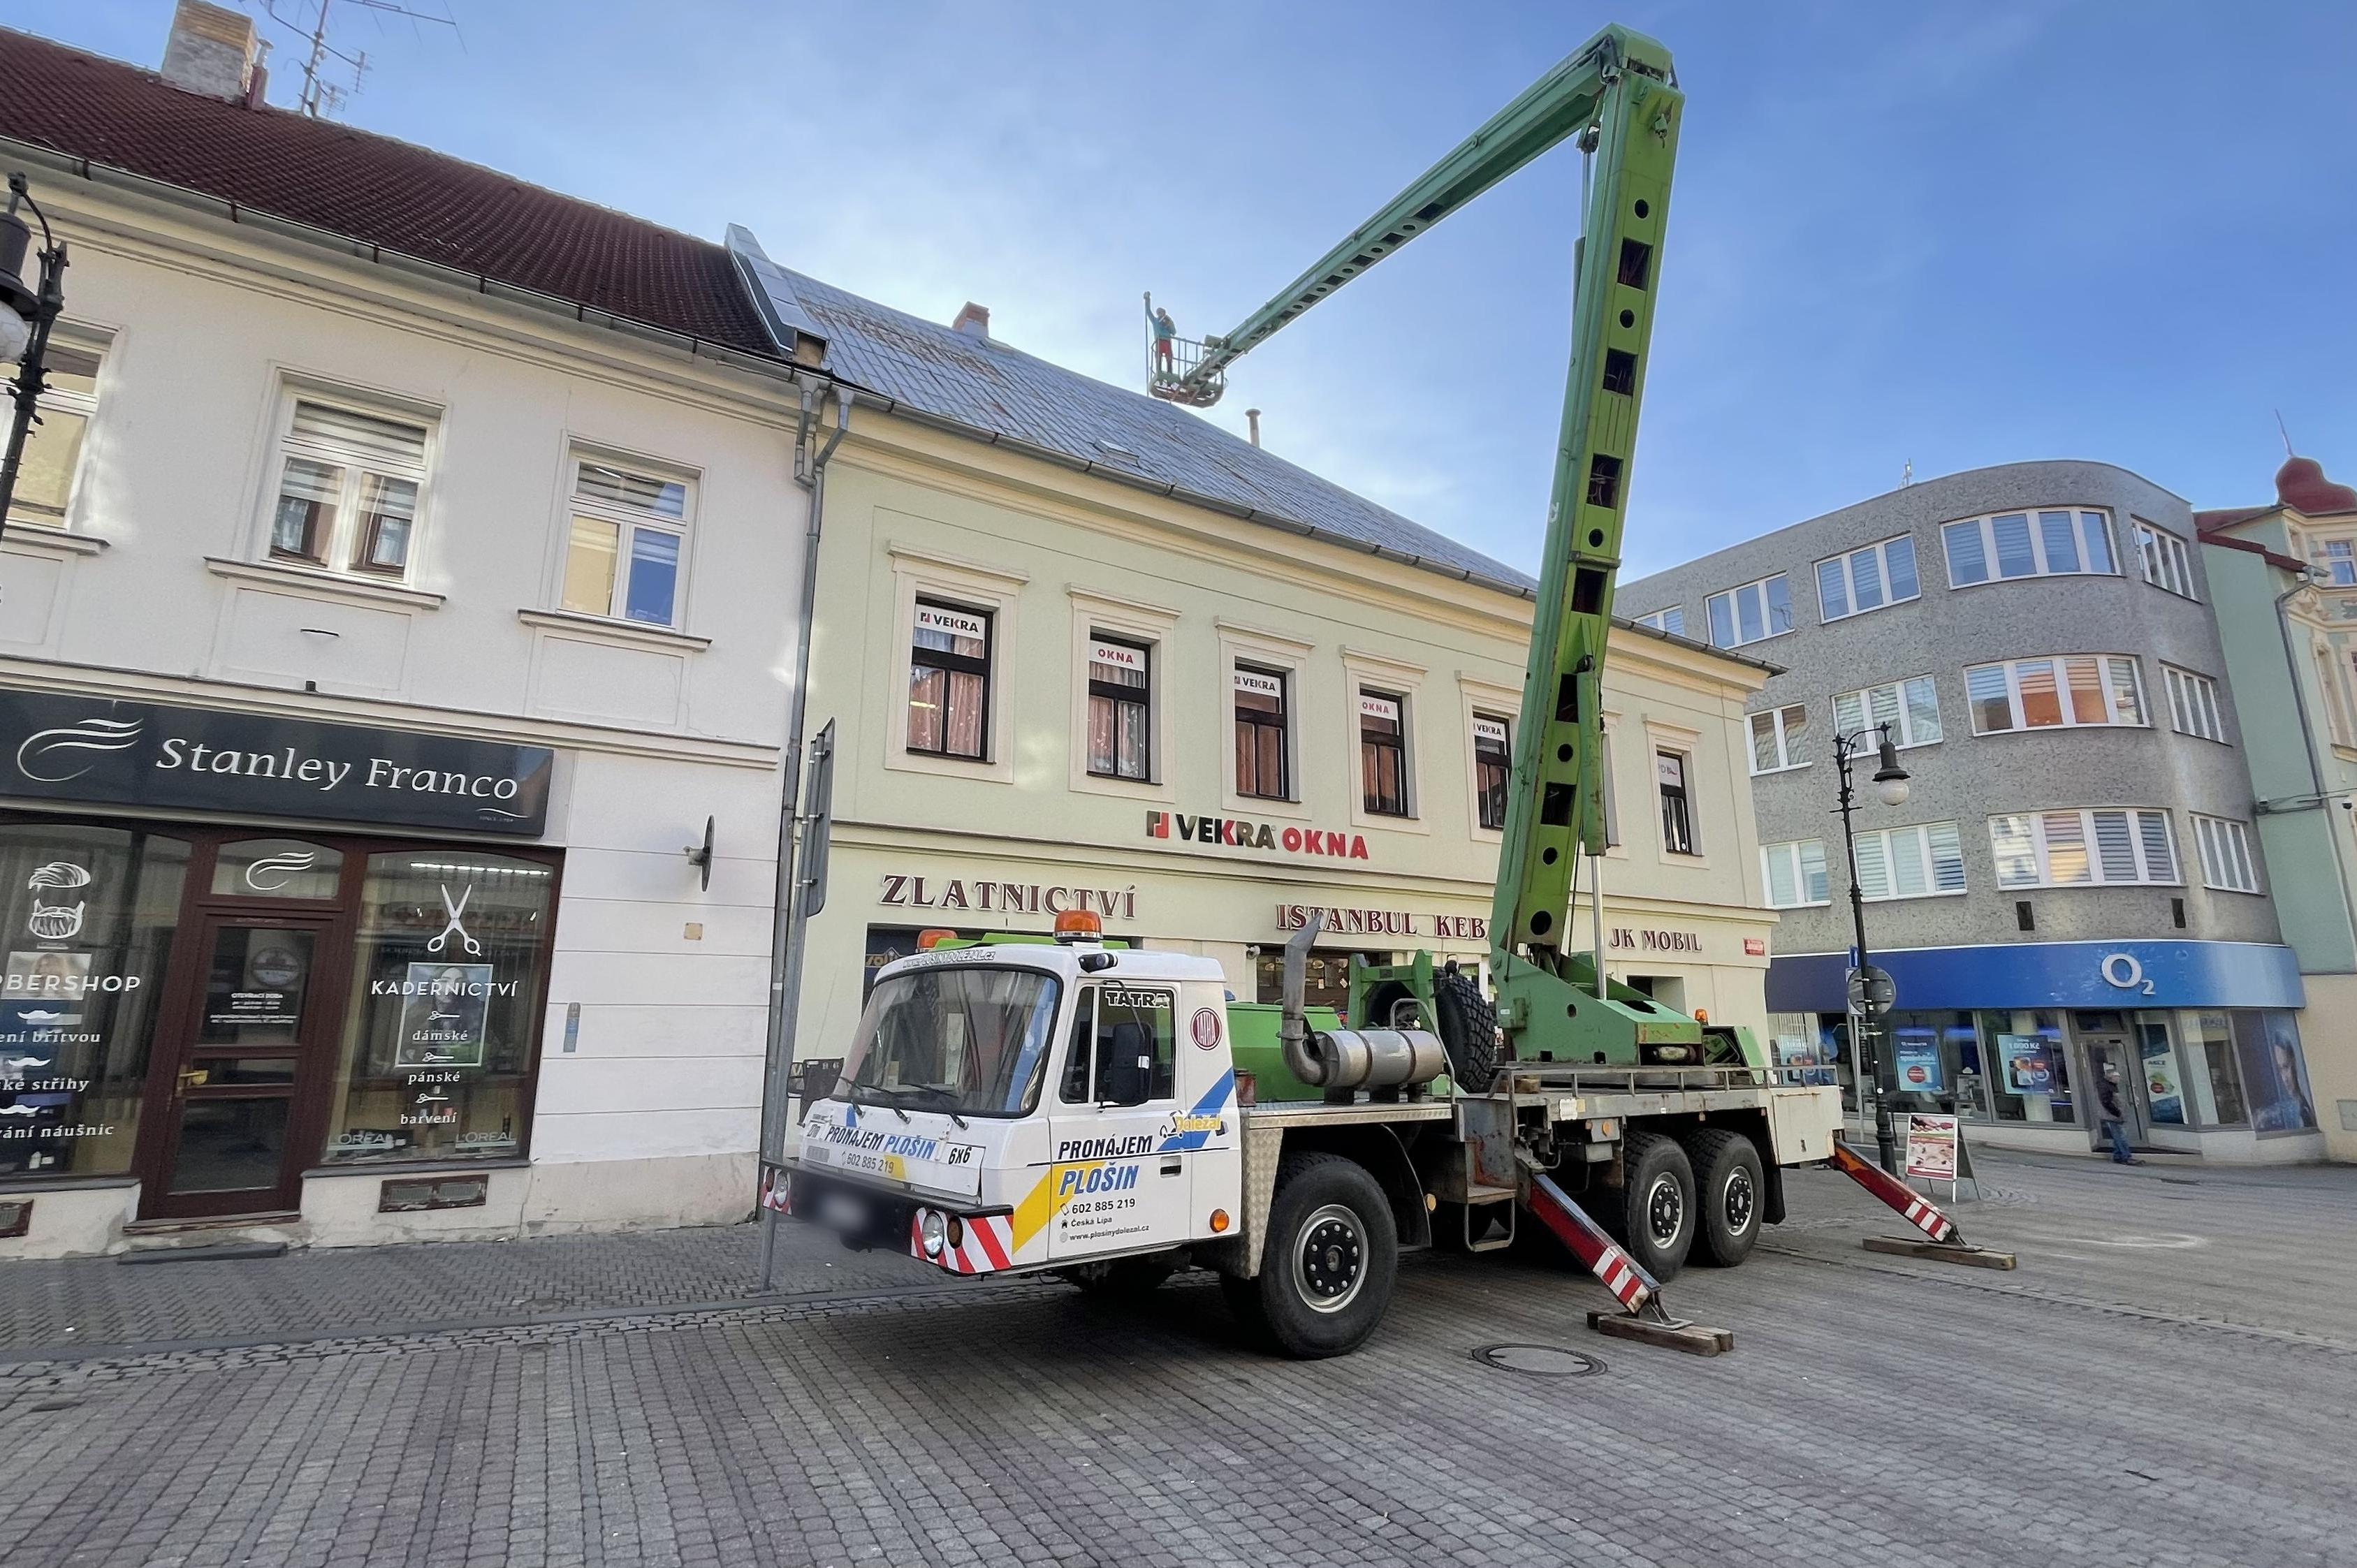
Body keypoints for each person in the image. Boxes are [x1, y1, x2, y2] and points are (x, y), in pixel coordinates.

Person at [2096, 1062, 2140, 1164]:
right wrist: (2117, 1113)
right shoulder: (2107, 1087)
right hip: (2112, 1116)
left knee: (2118, 1135)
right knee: (2121, 1136)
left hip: (2112, 1115)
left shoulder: (2109, 1085)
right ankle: (2126, 1156)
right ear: (2112, 1078)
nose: (2119, 1079)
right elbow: (2106, 1102)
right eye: (2117, 1077)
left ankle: (2118, 1155)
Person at [1150, 305, 1177, 373]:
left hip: (1167, 340)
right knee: (1158, 355)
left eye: (1160, 312)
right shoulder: (1155, 321)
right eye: (1158, 312)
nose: (1159, 314)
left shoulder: (1168, 320)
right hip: (1159, 341)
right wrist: (1147, 300)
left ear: (1164, 313)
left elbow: (1174, 332)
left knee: (1169, 356)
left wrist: (1168, 326)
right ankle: (1159, 371)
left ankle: (1170, 371)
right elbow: (1148, 312)